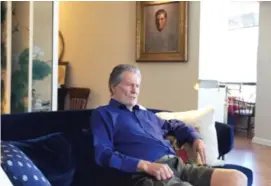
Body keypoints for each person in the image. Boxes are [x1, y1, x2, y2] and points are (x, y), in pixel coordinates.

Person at [91, 64, 247, 186]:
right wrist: (146, 166)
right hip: (145, 174)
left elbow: (175, 125)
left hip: (177, 165)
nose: (134, 91)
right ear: (113, 87)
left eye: (137, 86)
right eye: (129, 85)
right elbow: (104, 154)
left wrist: (196, 138)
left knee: (237, 178)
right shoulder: (104, 114)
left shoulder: (145, 114)